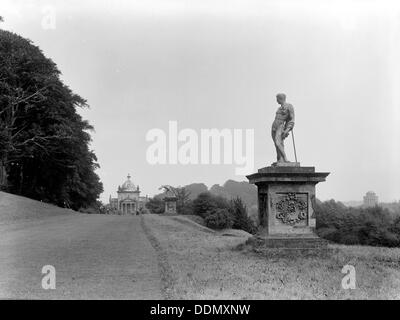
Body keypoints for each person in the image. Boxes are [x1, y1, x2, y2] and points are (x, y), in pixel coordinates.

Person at [271, 93, 294, 163]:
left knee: (278, 143)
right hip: (274, 127)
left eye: (277, 99)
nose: (276, 100)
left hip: (280, 126)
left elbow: (291, 119)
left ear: (280, 98)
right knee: (276, 144)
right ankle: (280, 159)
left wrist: (287, 129)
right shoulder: (279, 108)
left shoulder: (289, 106)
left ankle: (285, 158)